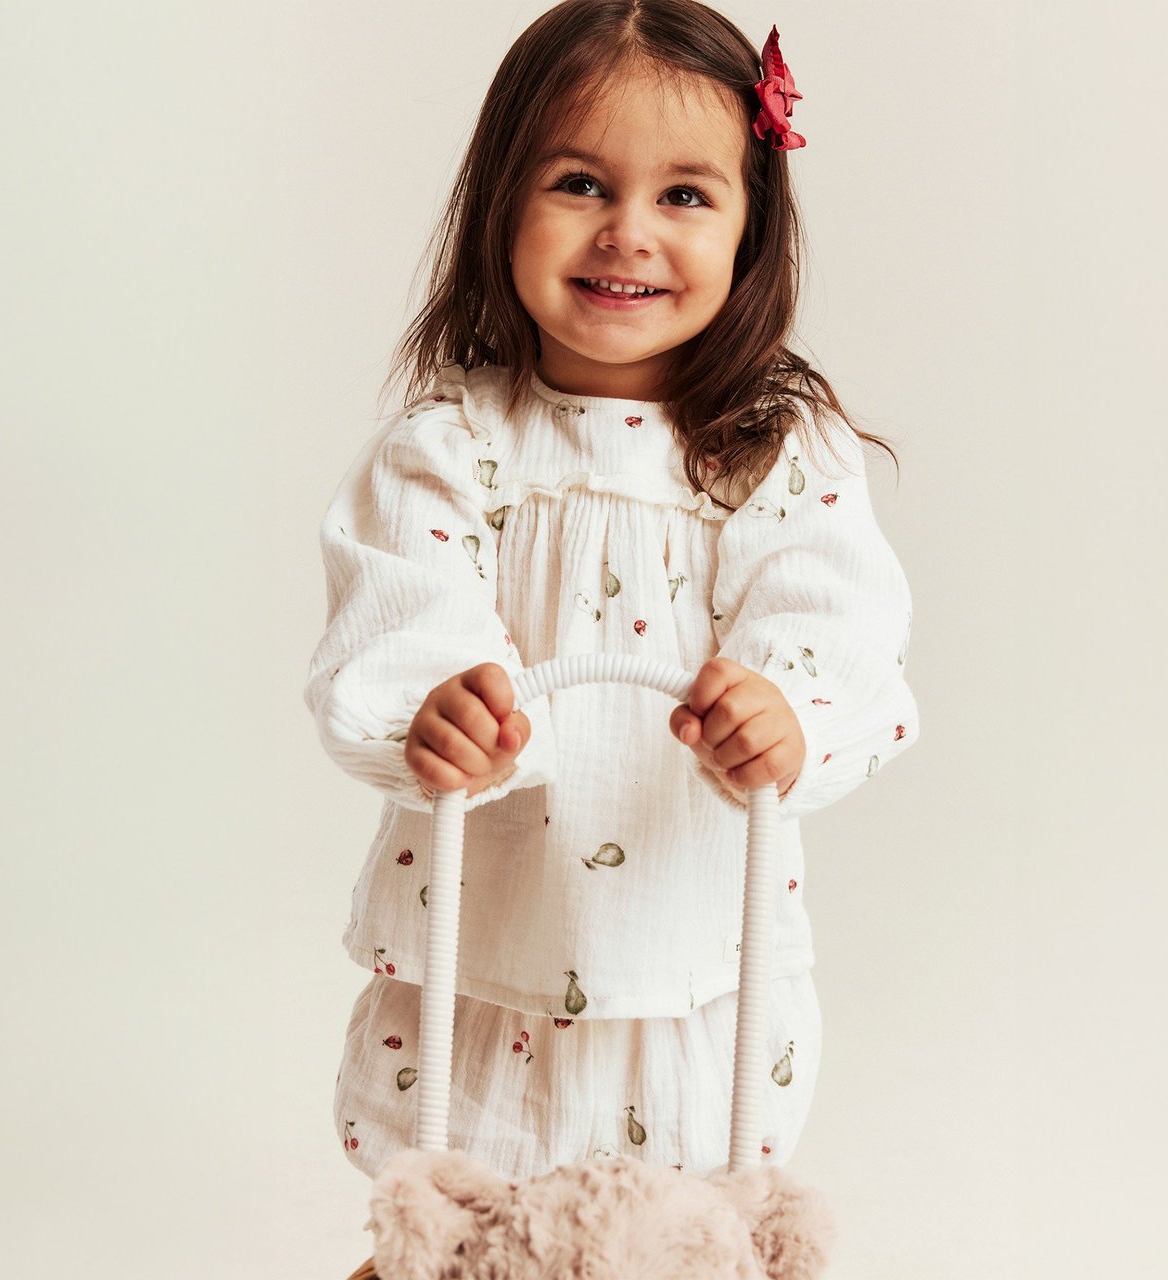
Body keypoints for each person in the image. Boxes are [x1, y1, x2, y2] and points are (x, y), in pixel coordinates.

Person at [303, 0, 920, 1235]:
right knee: (477, 1207)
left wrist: (785, 708)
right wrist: (444, 708)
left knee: (684, 1215)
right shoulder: (450, 448)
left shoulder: (774, 455)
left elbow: (837, 618)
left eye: (685, 195)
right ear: (500, 205)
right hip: (495, 938)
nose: (627, 232)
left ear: (751, 227)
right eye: (580, 182)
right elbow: (400, 613)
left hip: (689, 946)